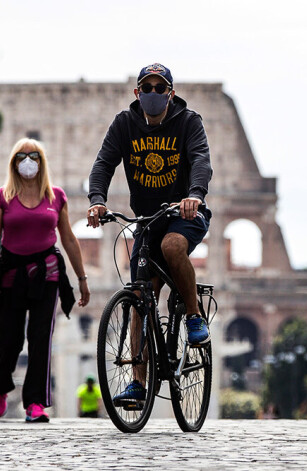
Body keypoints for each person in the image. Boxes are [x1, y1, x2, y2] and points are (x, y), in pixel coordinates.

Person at [86, 63, 213, 406]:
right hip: (146, 219)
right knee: (140, 298)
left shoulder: (189, 122)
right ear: (137, 93)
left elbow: (201, 159)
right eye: (148, 87)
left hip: (185, 213)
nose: (153, 94)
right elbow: (103, 165)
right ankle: (138, 385)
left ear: (171, 93)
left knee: (173, 247)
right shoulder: (124, 124)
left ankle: (193, 314)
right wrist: (97, 201)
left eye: (160, 88)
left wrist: (195, 194)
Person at [0, 137, 91, 423]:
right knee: (9, 339)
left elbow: (68, 238)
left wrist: (81, 277)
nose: (27, 161)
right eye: (21, 156)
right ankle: (0, 388)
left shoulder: (56, 196)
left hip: (48, 272)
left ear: (42, 163)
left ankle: (35, 403)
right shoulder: (2, 196)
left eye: (33, 156)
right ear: (13, 163)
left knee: (41, 337)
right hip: (10, 273)